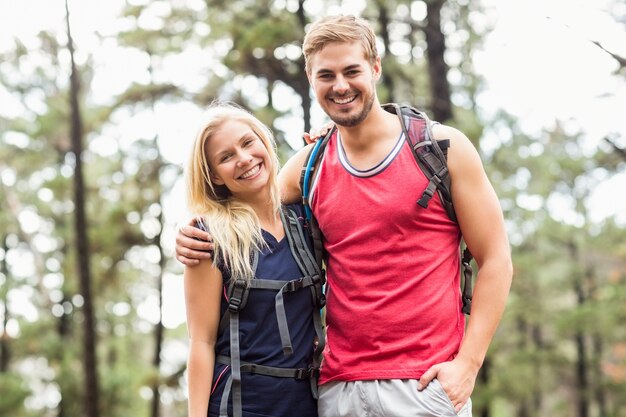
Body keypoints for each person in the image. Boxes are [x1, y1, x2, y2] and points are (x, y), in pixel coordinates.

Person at [177, 15, 513, 417]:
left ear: (375, 67)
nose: (340, 85)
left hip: (424, 387)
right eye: (326, 75)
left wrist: (468, 365)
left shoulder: (441, 149)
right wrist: (189, 232)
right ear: (311, 79)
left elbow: (496, 259)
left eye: (351, 70)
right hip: (337, 392)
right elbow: (245, 203)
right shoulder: (308, 167)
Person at [183, 102, 324, 417]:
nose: (244, 159)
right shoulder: (208, 239)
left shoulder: (306, 220)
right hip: (240, 406)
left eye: (248, 142)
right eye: (226, 157)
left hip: (308, 404)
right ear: (215, 177)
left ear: (263, 141)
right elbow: (201, 343)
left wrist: (328, 134)